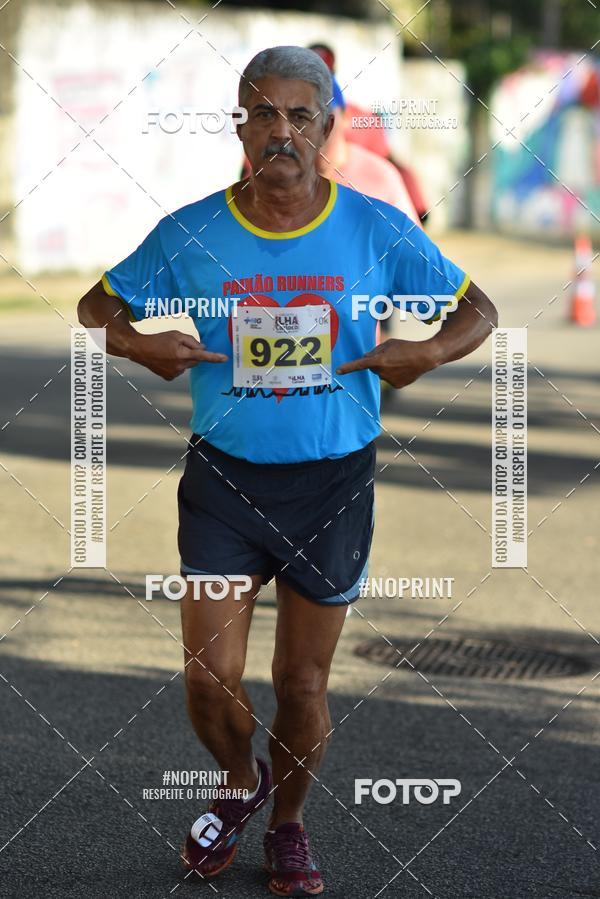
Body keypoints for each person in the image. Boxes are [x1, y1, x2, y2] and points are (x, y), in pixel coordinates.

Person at [77, 45, 497, 897]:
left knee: (300, 682)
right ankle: (240, 780)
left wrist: (428, 351)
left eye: (300, 115)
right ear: (240, 125)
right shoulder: (190, 232)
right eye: (264, 113)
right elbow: (97, 305)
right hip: (226, 479)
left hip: (333, 481)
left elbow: (477, 306)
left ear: (327, 128)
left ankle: (289, 824)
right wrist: (136, 342)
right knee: (207, 676)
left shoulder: (375, 227)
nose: (281, 131)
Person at [308, 42, 430, 225]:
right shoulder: (280, 170)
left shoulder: (379, 175)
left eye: (326, 117)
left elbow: (414, 250)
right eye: (304, 117)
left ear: (344, 117)